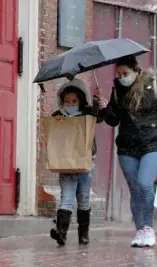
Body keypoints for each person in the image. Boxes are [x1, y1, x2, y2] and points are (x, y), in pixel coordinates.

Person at [103, 56, 157, 248]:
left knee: (145, 184)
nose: (121, 77)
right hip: (127, 146)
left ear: (136, 70)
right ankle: (140, 230)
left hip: (153, 143)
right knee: (135, 190)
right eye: (118, 74)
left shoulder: (154, 83)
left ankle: (149, 228)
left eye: (125, 73)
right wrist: (105, 107)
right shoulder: (118, 89)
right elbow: (112, 121)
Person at [50, 78, 107, 246]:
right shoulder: (58, 116)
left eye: (74, 101)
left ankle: (84, 234)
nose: (70, 104)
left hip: (86, 162)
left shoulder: (88, 114)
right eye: (67, 101)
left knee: (83, 197)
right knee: (66, 197)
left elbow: (99, 116)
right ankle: (61, 233)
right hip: (66, 163)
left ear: (81, 101)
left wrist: (98, 100)